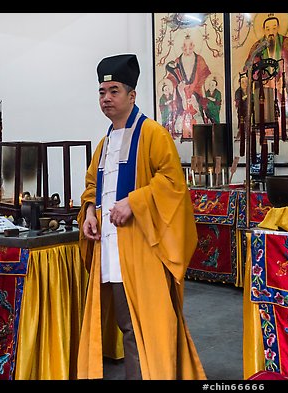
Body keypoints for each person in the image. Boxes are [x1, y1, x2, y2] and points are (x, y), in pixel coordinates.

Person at [76, 54, 206, 380]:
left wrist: (134, 202)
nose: (106, 98)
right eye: (102, 91)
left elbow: (173, 183)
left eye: (114, 90)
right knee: (127, 324)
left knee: (143, 325)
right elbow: (93, 184)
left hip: (144, 248)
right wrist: (90, 212)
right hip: (111, 247)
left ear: (132, 95)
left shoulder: (153, 133)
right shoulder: (105, 142)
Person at [165, 34, 212, 139]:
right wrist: (179, 89)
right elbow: (171, 78)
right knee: (181, 117)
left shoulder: (200, 60)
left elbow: (205, 76)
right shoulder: (177, 62)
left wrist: (195, 95)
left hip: (197, 93)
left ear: (194, 46)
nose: (188, 49)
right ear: (181, 48)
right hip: (182, 94)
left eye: (190, 46)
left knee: (198, 116)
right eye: (185, 46)